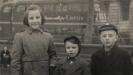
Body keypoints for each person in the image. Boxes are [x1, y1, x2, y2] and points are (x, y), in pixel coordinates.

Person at [11, 5, 56, 75]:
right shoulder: (20, 37)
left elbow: (53, 55)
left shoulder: (48, 36)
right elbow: (15, 62)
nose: (35, 21)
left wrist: (52, 65)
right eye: (31, 18)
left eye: (37, 17)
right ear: (26, 20)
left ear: (42, 18)